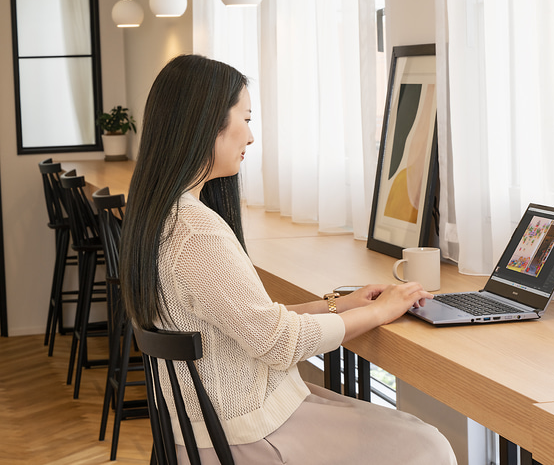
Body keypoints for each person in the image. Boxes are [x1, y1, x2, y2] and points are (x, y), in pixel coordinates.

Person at [120, 54, 457, 464]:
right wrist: (380, 312)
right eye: (246, 119)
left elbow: (252, 321)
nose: (250, 137)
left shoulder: (163, 215)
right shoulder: (196, 232)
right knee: (428, 445)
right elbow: (277, 343)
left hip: (215, 426)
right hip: (246, 434)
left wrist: (339, 305)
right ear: (207, 122)